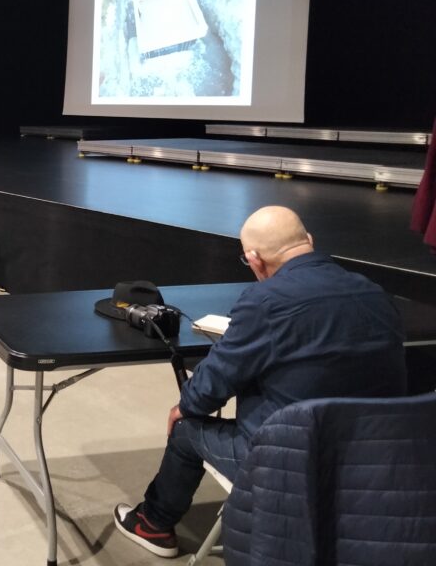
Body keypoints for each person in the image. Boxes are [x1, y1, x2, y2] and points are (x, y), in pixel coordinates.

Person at [113, 205, 408, 558]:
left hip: (291, 458)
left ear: (254, 259)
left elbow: (215, 381)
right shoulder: (374, 293)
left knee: (186, 429)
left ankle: (153, 524)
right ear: (308, 241)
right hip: (374, 456)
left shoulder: (265, 302)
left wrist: (185, 406)